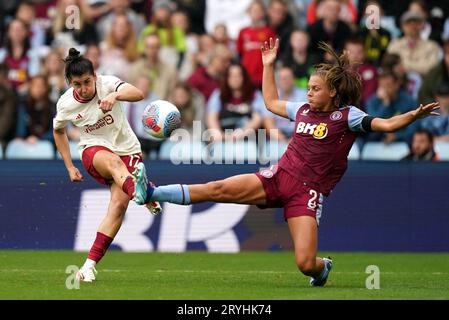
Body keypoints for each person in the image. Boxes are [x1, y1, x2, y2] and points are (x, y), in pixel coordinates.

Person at [133, 38, 439, 286]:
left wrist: (412, 115)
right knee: (218, 188)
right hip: (277, 176)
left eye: (315, 88)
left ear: (333, 92)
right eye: (308, 87)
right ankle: (152, 192)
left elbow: (385, 125)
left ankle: (323, 268)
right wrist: (268, 65)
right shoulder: (302, 109)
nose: (309, 92)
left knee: (305, 264)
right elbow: (269, 103)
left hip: (307, 192)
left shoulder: (348, 116)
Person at [53, 48, 161, 283]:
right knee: (113, 164)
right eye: (77, 84)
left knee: (119, 205)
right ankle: (142, 192)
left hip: (128, 149)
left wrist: (115, 96)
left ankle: (88, 266)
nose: (83, 88)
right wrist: (69, 166)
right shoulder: (66, 104)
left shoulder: (108, 84)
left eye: (87, 82)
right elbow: (58, 130)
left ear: (95, 76)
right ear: (70, 84)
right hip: (94, 150)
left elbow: (138, 93)